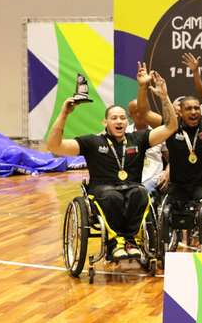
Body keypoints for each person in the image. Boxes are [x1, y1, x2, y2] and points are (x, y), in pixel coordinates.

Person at [46, 72, 177, 260]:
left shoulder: (138, 139)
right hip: (102, 191)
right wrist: (64, 113)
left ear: (127, 122)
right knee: (112, 196)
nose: (119, 121)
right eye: (114, 118)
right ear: (105, 122)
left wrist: (164, 97)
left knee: (140, 193)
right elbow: (54, 146)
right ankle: (116, 242)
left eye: (123, 118)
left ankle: (130, 241)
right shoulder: (92, 142)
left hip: (131, 188)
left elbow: (171, 127)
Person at [136, 62, 202, 210]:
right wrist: (143, 87)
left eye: (196, 108)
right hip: (178, 187)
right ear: (180, 112)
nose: (194, 112)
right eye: (188, 109)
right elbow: (144, 113)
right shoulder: (171, 128)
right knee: (170, 210)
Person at [127, 100, 169, 194]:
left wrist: (167, 172)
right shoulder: (125, 133)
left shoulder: (159, 132)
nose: (142, 113)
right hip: (130, 178)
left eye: (144, 110)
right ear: (130, 115)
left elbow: (172, 159)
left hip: (154, 178)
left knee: (142, 191)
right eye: (137, 111)